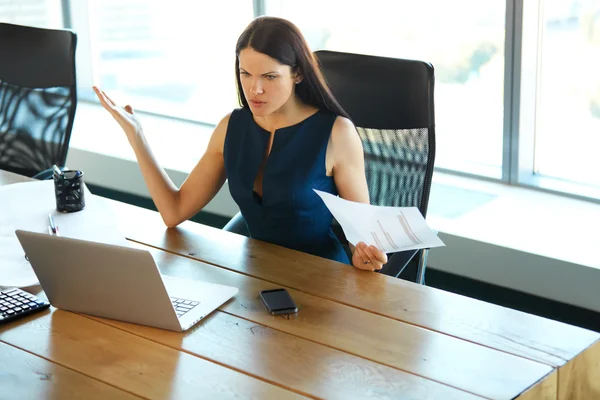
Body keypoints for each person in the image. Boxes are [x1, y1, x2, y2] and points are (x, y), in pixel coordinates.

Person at [93, 16, 388, 271]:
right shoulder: (230, 128)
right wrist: (137, 136)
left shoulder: (337, 133)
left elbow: (362, 241)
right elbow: (174, 211)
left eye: (270, 76)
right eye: (245, 73)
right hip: (255, 276)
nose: (254, 89)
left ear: (298, 73)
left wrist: (365, 259)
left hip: (322, 280)